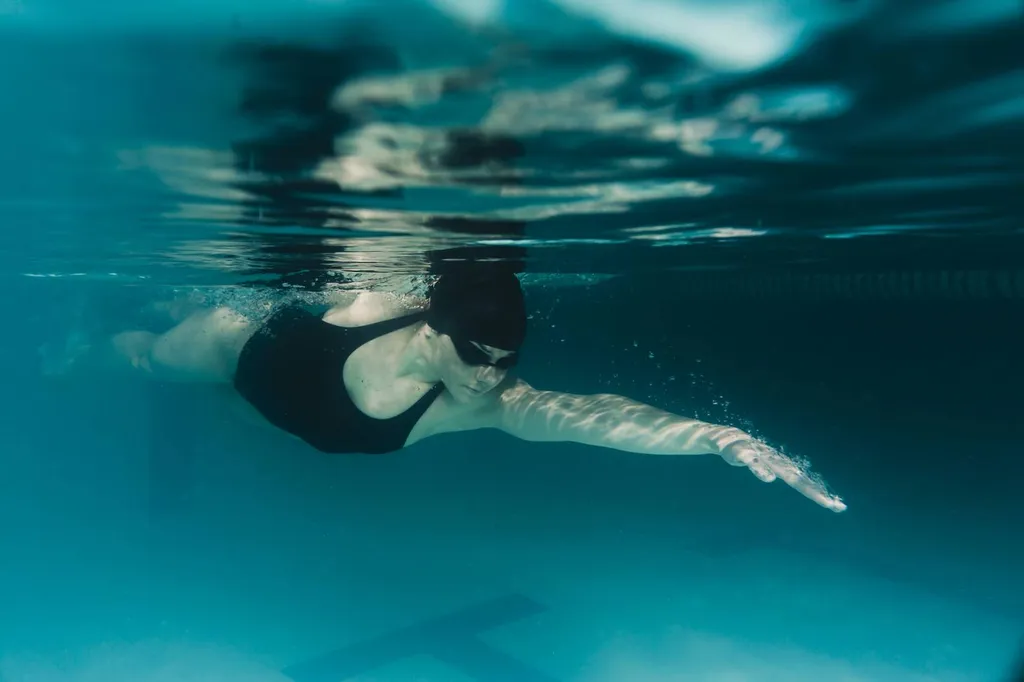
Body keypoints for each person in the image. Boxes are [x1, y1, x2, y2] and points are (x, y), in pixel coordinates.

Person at [83, 271, 846, 512]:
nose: (494, 377)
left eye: (507, 359)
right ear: (431, 331)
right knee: (148, 359)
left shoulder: (482, 400)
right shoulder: (375, 301)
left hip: (275, 418)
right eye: (479, 357)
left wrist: (720, 438)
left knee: (230, 416)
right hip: (240, 349)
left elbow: (592, 417)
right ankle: (83, 344)